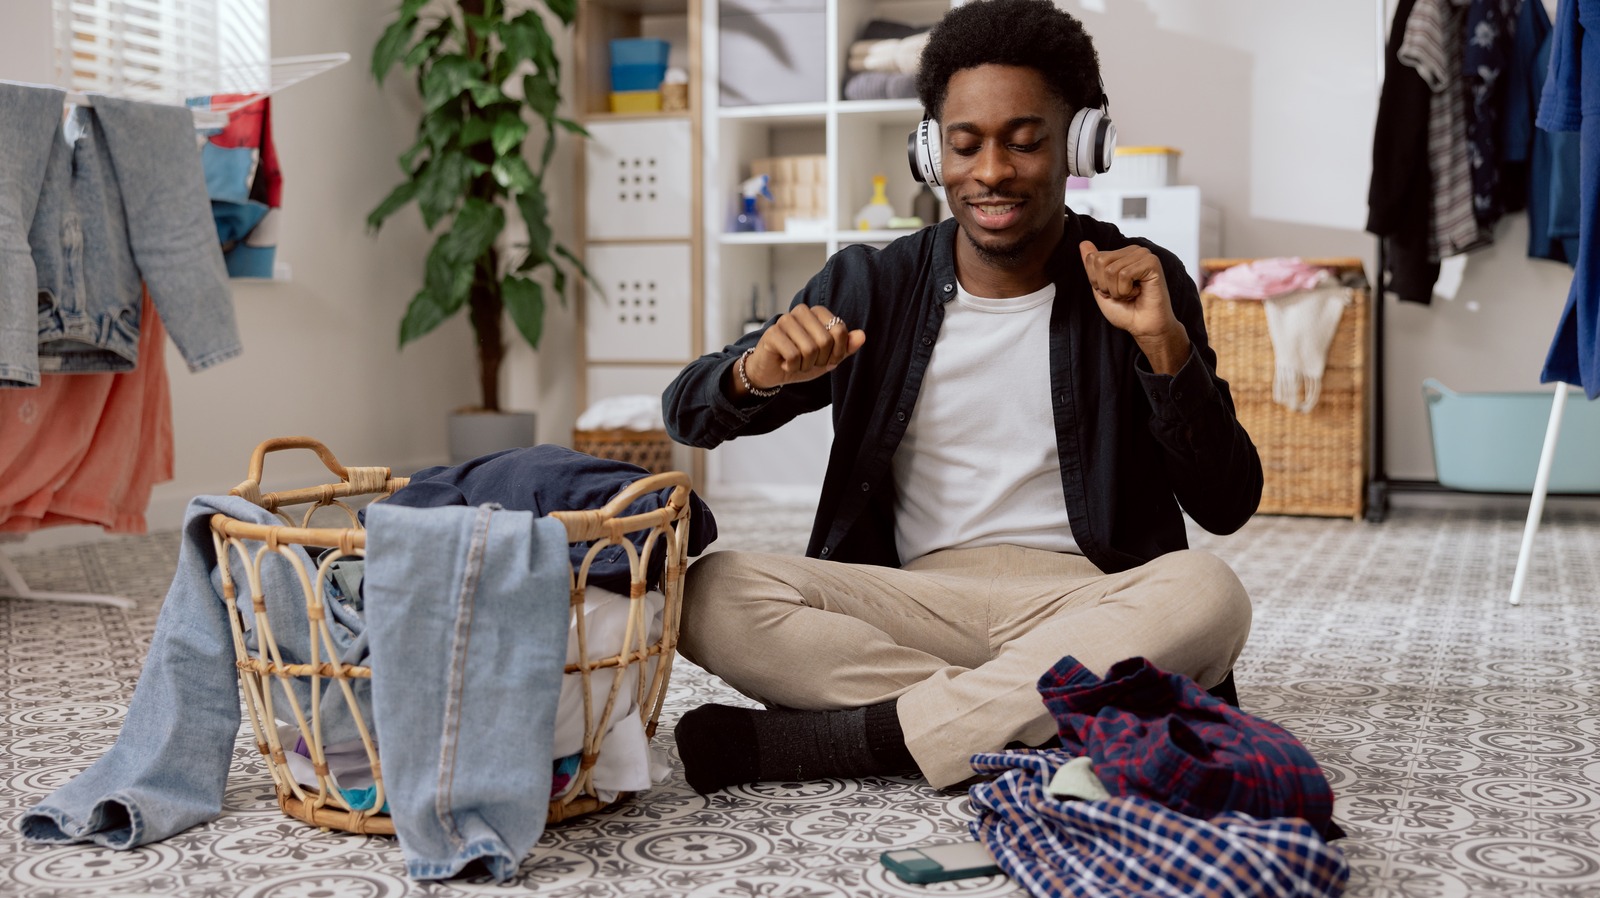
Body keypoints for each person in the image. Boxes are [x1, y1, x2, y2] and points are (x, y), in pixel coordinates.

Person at [661, 0, 1261, 795]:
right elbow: (685, 412)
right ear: (929, 149)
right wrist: (755, 374)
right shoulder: (868, 285)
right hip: (917, 599)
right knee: (710, 592)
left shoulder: (1140, 277)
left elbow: (1226, 502)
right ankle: (1052, 716)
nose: (991, 173)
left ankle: (857, 740)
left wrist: (1164, 349)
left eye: (1025, 141)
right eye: (966, 143)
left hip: (1085, 599)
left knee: (1208, 593)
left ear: (1082, 142)